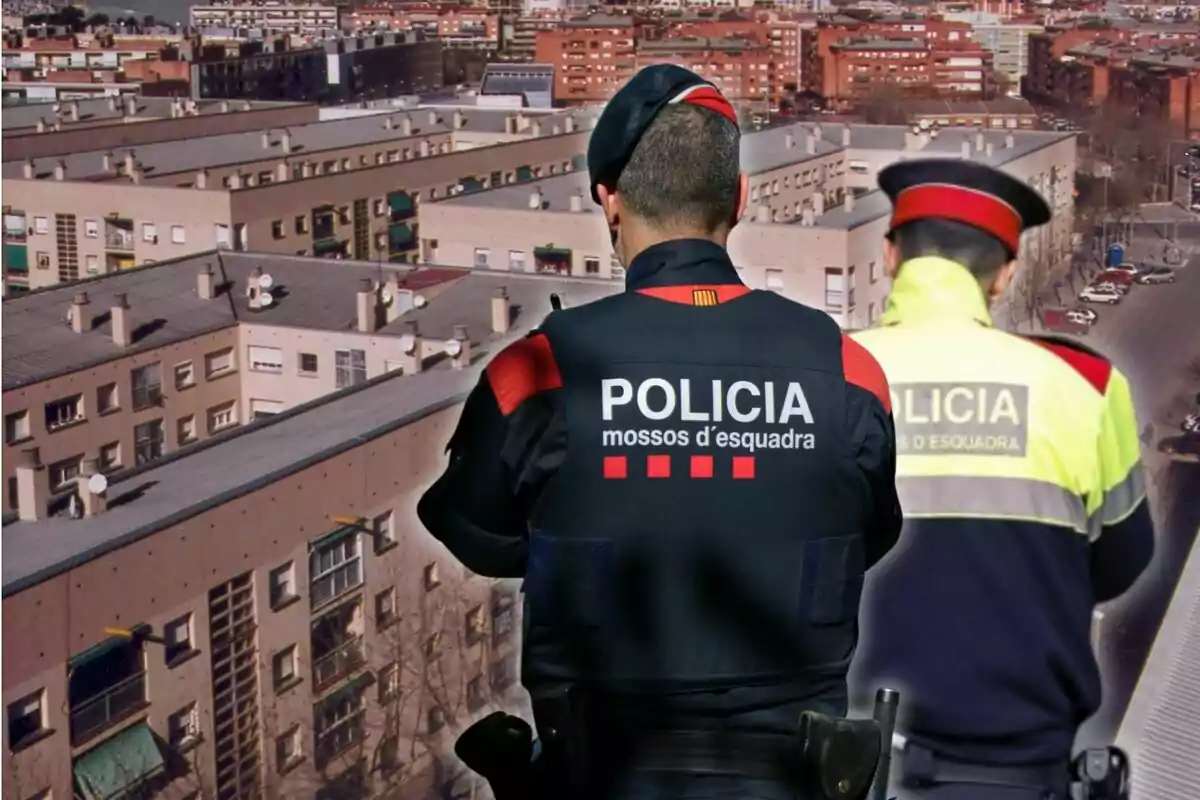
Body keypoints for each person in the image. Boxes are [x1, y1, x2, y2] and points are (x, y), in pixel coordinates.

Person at [418, 64, 903, 800]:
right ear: (739, 199)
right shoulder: (848, 371)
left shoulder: (540, 372)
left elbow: (469, 530)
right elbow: (869, 534)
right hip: (794, 778)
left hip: (595, 772)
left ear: (609, 203)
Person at [848, 158, 1156, 800]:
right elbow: (1125, 559)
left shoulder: (822, 373)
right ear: (1005, 275)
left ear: (887, 256)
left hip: (837, 760)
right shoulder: (1086, 386)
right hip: (1010, 775)